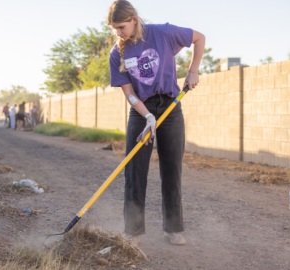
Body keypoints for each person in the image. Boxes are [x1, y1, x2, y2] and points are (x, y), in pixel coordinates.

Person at [106, 0, 204, 246]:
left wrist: (194, 70)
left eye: (121, 27)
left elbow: (199, 38)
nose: (118, 33)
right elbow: (129, 93)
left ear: (133, 20)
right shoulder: (117, 52)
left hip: (170, 106)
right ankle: (133, 232)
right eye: (114, 28)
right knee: (134, 170)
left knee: (172, 169)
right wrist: (147, 116)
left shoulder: (164, 33)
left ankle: (172, 229)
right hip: (141, 110)